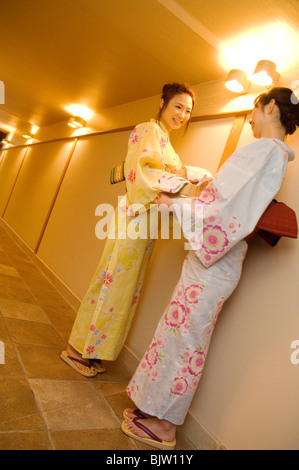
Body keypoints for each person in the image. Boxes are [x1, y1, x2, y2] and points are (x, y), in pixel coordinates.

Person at [121, 87, 299, 450]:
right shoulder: (272, 154)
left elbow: (226, 207)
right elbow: (228, 198)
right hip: (214, 262)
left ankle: (166, 425)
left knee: (186, 341)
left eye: (254, 109)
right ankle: (154, 409)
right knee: (177, 334)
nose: (251, 117)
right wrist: (202, 187)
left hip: (214, 263)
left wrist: (176, 204)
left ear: (268, 106)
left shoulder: (267, 150)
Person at [61, 82, 212, 377]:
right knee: (112, 281)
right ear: (162, 103)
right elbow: (144, 173)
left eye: (188, 111)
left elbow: (166, 180)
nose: (182, 114)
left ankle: (90, 349)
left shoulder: (166, 142)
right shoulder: (149, 130)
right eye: (177, 106)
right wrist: (187, 174)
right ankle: (77, 349)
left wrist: (184, 176)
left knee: (123, 287)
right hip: (136, 216)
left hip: (146, 222)